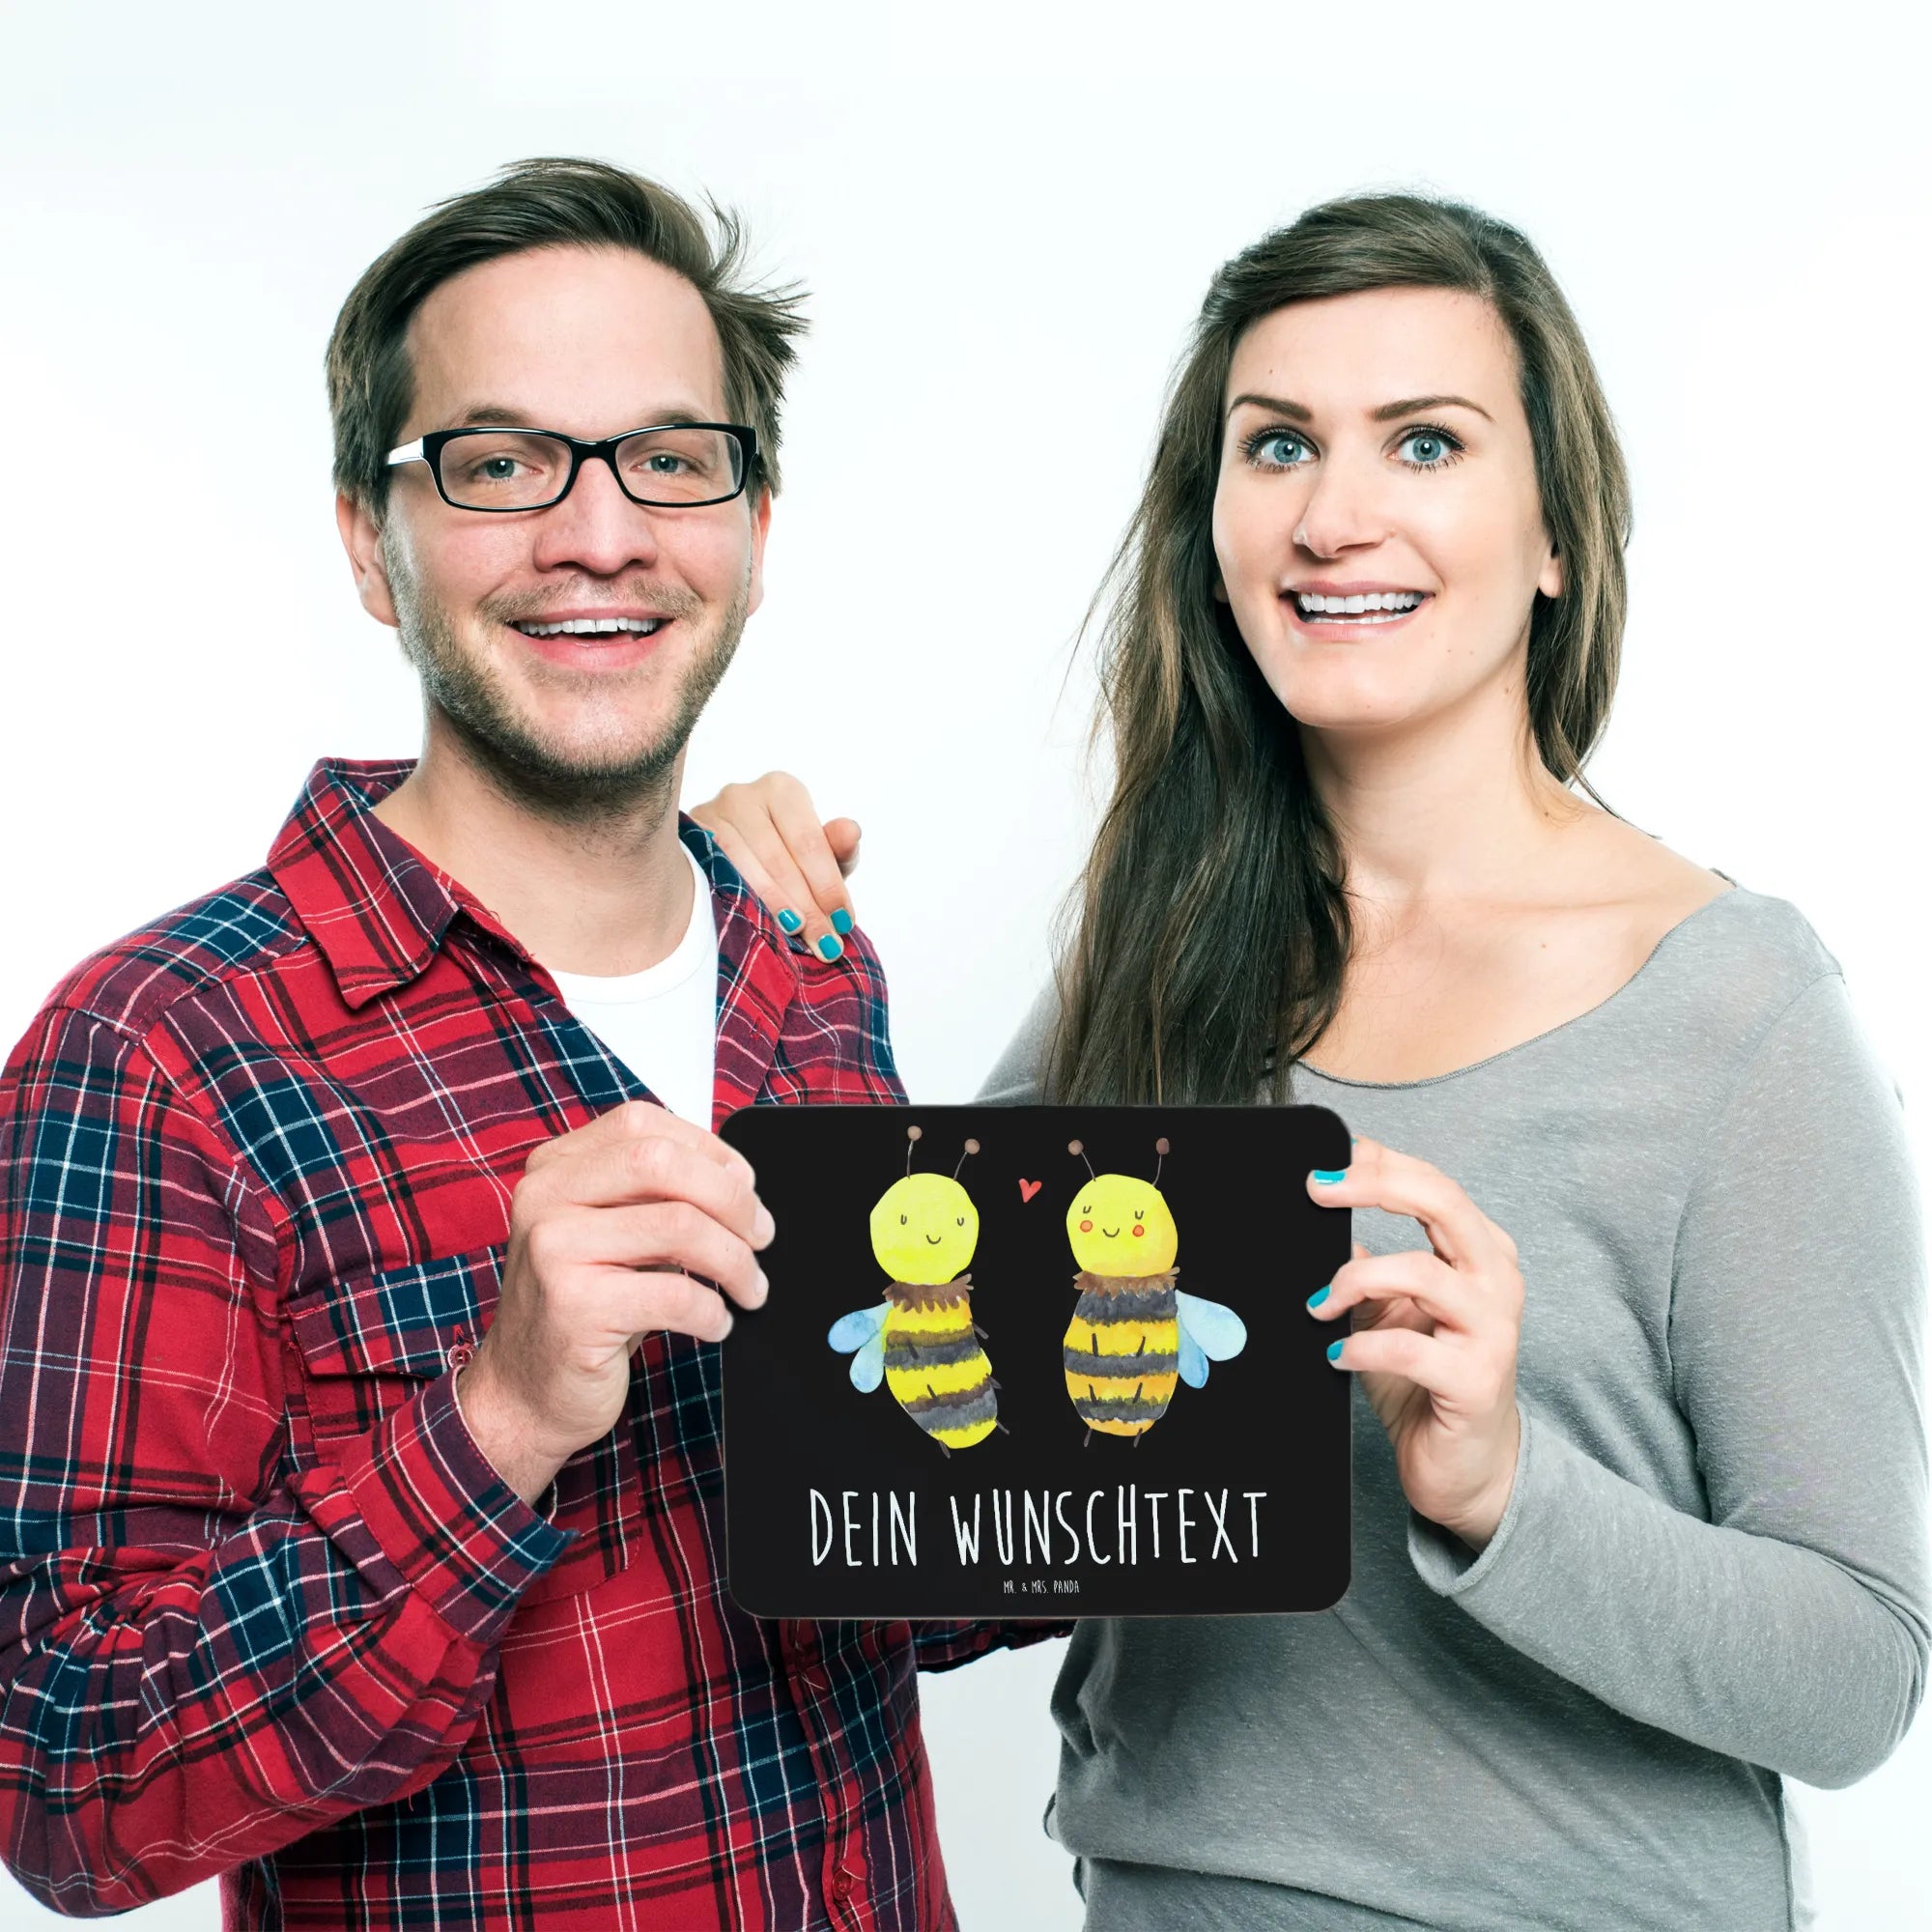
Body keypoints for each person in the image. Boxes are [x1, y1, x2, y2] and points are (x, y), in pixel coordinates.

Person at [692, 193, 1929, 1929]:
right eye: (1277, 444)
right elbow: (885, 1416)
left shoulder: (1736, 1012)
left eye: (1425, 442)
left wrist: (1504, 1490)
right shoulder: (1155, 945)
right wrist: (726, 929)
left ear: (1556, 533)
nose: (1334, 517)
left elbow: (1857, 1675)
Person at [0, 157, 1053, 1928]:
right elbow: (66, 1788)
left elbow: (892, 1591)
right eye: (500, 466)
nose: (602, 534)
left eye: (671, 459)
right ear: (372, 541)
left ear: (753, 527)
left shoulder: (808, 962)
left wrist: (1182, 1423)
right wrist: (495, 1420)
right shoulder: (161, 1056)